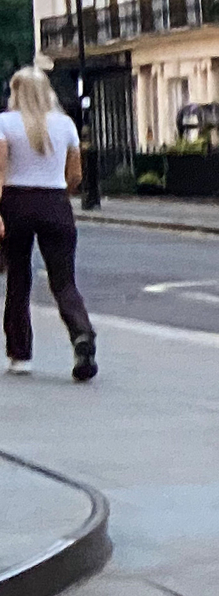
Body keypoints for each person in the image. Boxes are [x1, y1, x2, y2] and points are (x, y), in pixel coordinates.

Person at [0, 68, 98, 381]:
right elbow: (76, 176)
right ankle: (81, 334)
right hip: (55, 203)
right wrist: (59, 195)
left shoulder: (5, 124)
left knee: (18, 279)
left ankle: (20, 354)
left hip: (16, 201)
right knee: (64, 281)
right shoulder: (65, 124)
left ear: (16, 92)